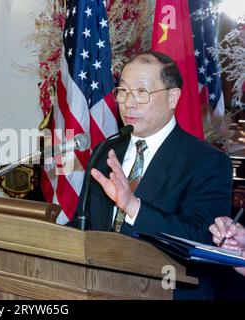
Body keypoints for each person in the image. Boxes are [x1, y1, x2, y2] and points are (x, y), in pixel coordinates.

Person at [69, 51, 233, 299]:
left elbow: (203, 240)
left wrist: (134, 207)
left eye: (141, 92)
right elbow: (83, 224)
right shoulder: (106, 152)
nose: (128, 102)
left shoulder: (207, 161)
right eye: (122, 91)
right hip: (97, 289)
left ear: (173, 98)